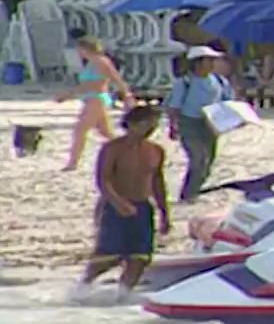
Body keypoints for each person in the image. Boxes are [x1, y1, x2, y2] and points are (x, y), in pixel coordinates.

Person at [73, 105, 170, 301]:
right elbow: (103, 180)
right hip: (113, 207)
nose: (151, 128)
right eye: (146, 124)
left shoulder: (155, 151)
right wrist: (119, 203)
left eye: (154, 124)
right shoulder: (113, 148)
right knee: (109, 257)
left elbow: (158, 182)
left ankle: (123, 295)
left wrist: (164, 213)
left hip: (143, 207)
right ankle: (82, 287)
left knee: (140, 257)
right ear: (132, 124)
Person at [55, 36, 135, 171]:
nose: (78, 53)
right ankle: (129, 155)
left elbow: (94, 84)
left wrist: (68, 95)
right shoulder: (94, 62)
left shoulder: (100, 62)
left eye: (80, 50)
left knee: (80, 131)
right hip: (95, 98)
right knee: (107, 133)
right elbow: (115, 79)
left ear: (85, 49)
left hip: (96, 98)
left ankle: (73, 163)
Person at [164, 46, 232, 203]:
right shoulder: (185, 82)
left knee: (208, 162)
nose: (213, 63)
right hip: (190, 123)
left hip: (211, 125)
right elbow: (174, 106)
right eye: (209, 60)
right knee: (198, 159)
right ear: (197, 63)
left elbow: (227, 102)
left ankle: (195, 191)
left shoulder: (220, 81)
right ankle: (188, 194)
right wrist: (173, 126)